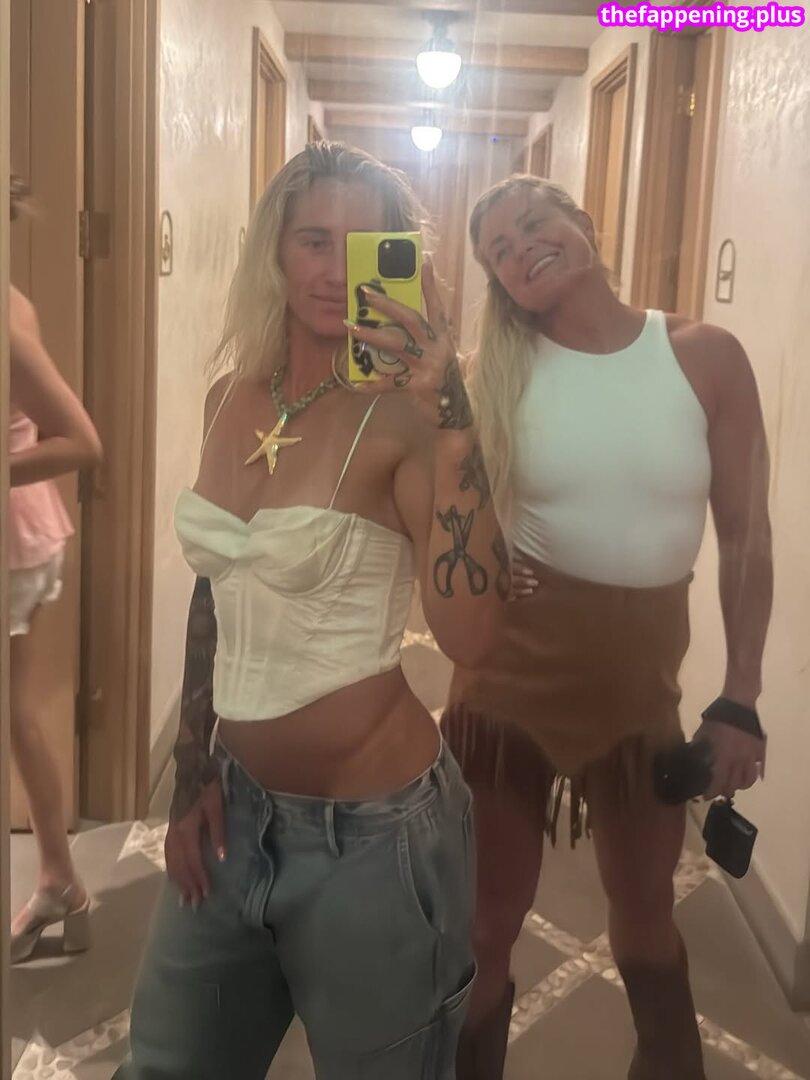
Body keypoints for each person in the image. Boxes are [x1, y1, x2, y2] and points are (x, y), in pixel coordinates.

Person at [116, 142, 509, 1079]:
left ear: (399, 262)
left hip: (373, 838)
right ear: (275, 252)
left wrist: (452, 416)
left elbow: (472, 634)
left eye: (364, 247)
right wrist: (191, 770)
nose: (336, 272)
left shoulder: (409, 417)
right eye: (313, 241)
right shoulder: (229, 396)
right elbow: (216, 590)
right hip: (233, 812)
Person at [441, 175, 772, 1079]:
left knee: (647, 913)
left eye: (534, 224)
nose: (522, 249)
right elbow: (437, 505)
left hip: (639, 695)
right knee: (486, 924)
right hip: (506, 688)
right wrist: (486, 554)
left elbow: (747, 537)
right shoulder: (489, 377)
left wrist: (741, 698)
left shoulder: (705, 356)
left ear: (582, 223)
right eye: (500, 251)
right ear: (498, 282)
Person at [8, 174, 103, 963]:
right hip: (22, 532)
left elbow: (81, 441)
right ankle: (58, 876)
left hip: (11, 535)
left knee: (15, 711)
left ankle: (57, 875)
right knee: (15, 712)